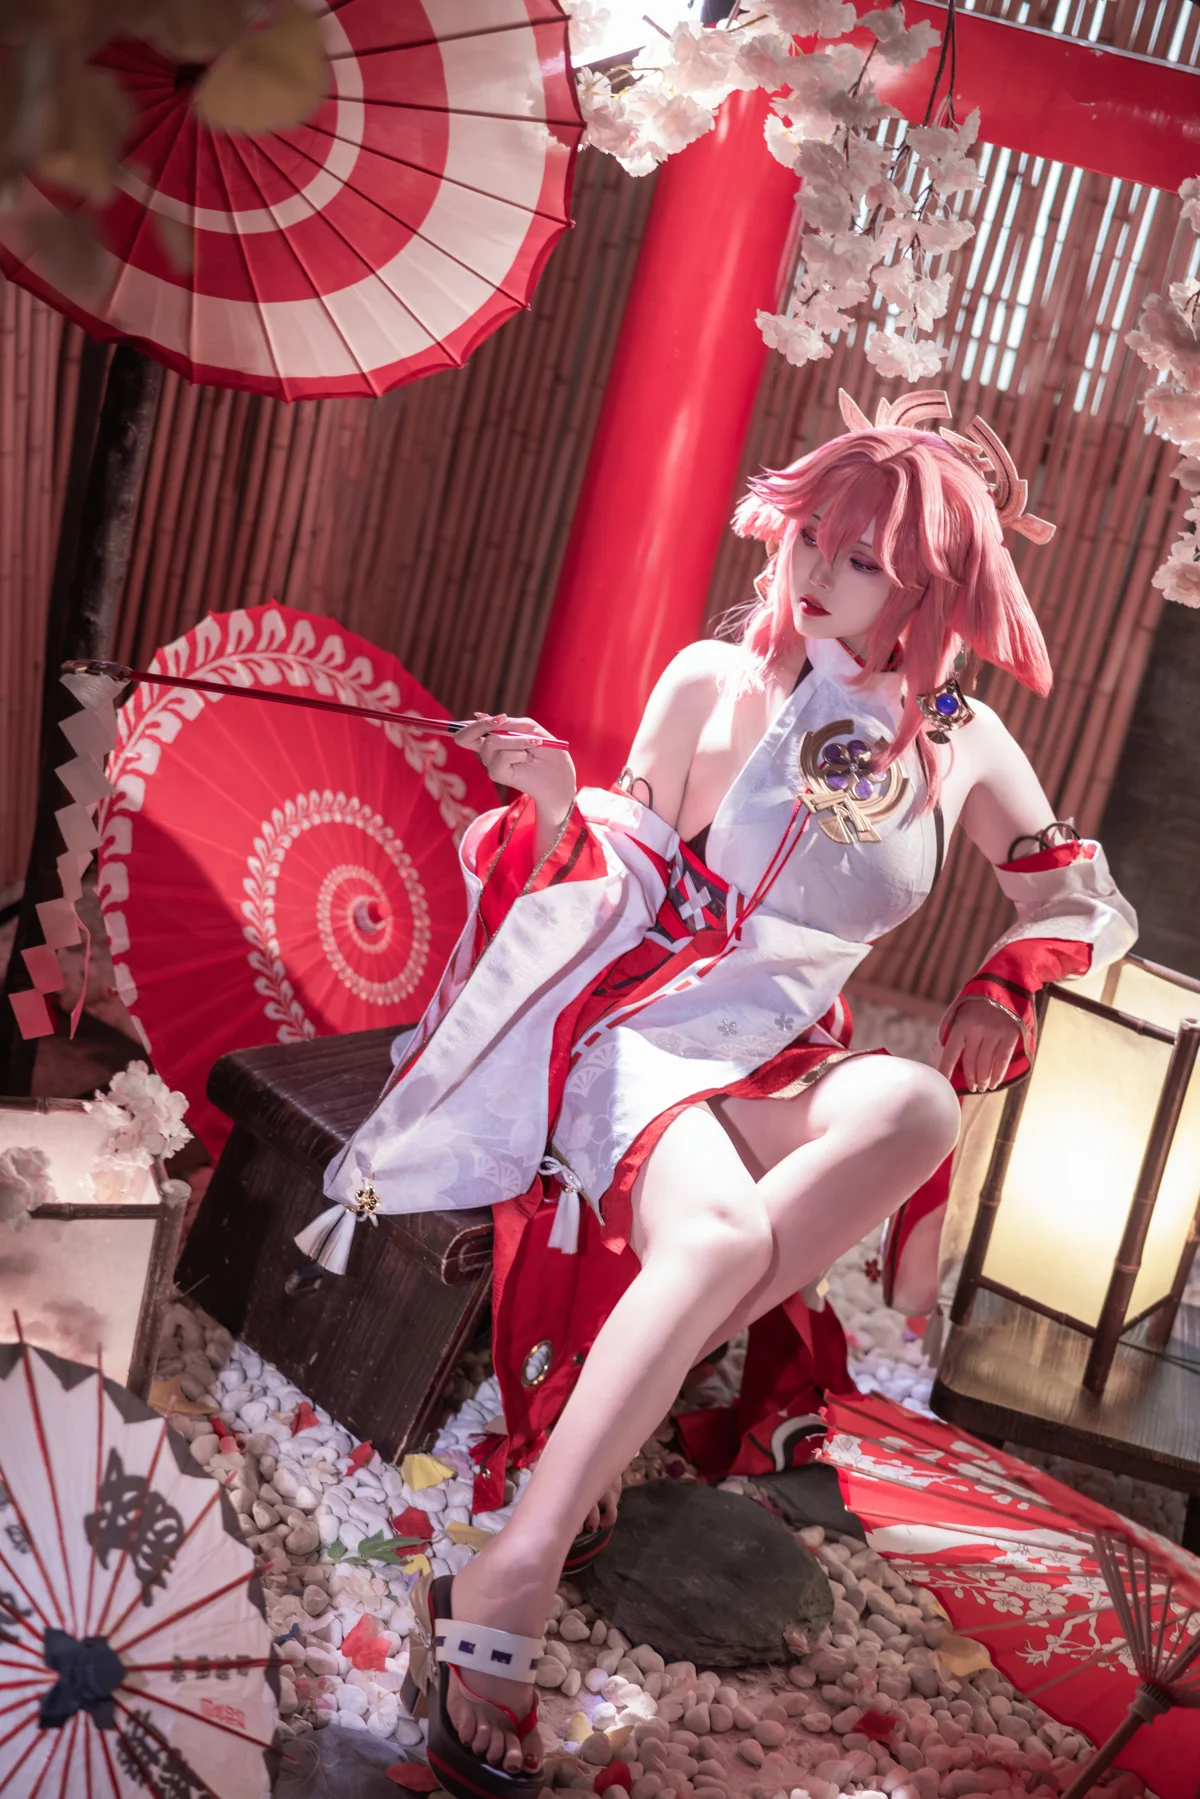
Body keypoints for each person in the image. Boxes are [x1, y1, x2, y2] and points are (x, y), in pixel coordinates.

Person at [300, 389, 1136, 1799]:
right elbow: (609, 886)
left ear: (930, 588)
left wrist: (1006, 981)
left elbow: (1076, 895)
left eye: (861, 558)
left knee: (917, 1111)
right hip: (642, 1024)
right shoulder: (718, 679)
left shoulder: (960, 739)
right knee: (725, 1234)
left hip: (782, 1052)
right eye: (808, 537)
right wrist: (553, 803)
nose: (815, 574)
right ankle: (516, 1568)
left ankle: (605, 1433)